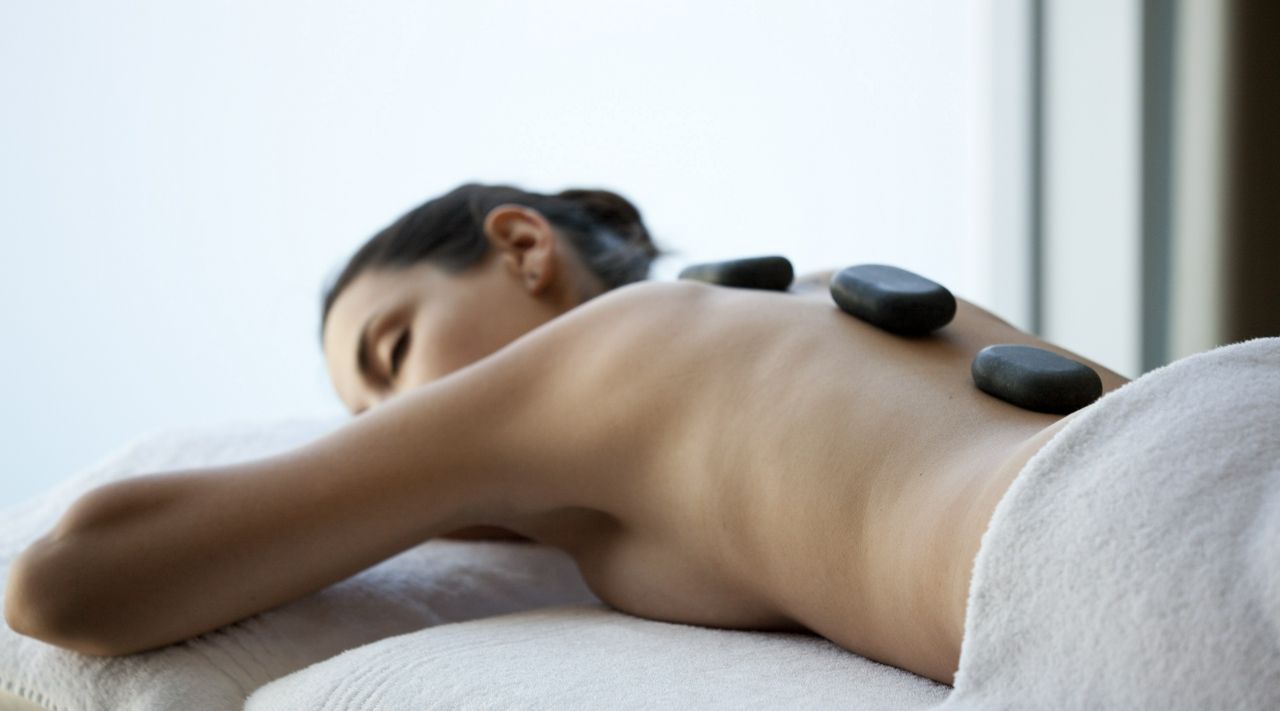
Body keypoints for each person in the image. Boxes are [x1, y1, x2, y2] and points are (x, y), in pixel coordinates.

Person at [4, 182, 1129, 686]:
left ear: (523, 246)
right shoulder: (807, 304)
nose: (393, 427)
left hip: (1119, 548)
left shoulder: (593, 361)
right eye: (364, 422)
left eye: (393, 354)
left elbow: (67, 581)